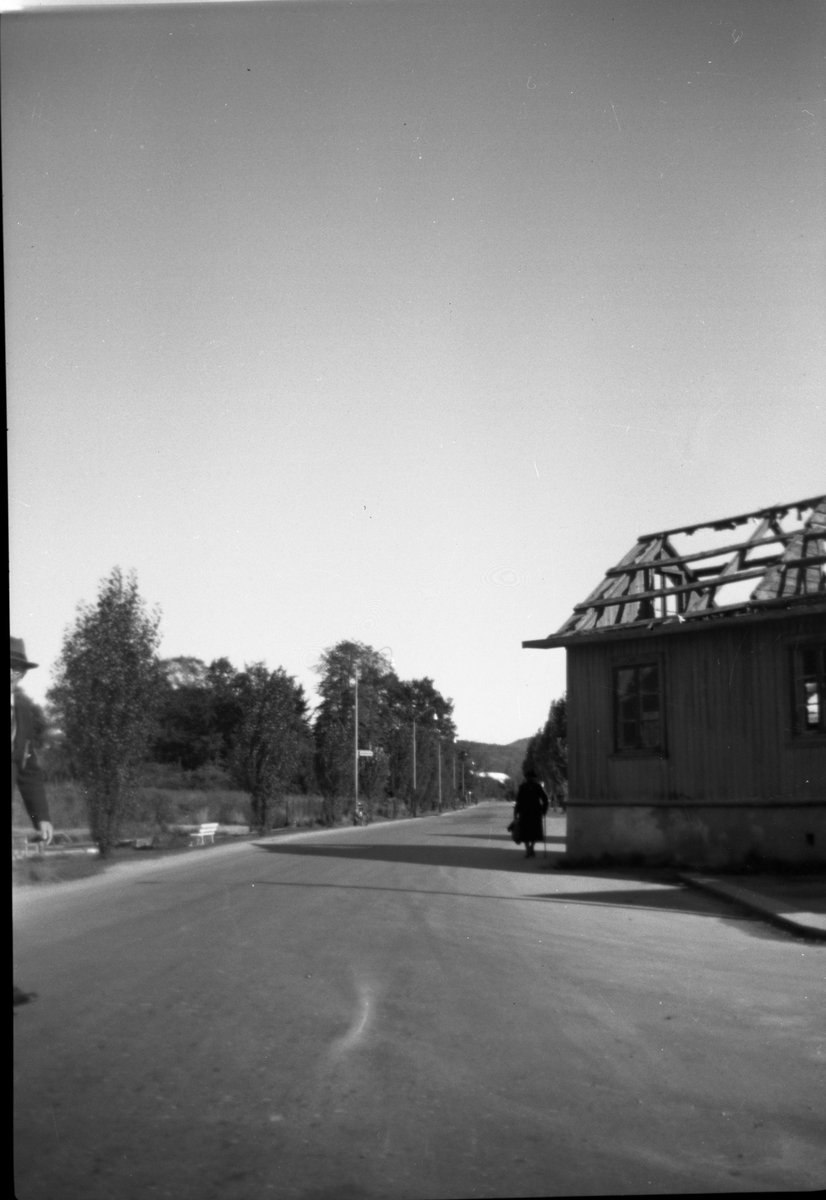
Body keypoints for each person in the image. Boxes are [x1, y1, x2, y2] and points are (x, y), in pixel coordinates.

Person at [12, 637, 53, 847]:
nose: (11, 673)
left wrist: (42, 817)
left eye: (17, 668)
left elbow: (29, 770)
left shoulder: (23, 714)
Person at [514, 768, 549, 859]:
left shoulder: (522, 787)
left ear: (526, 778)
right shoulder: (538, 787)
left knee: (525, 832)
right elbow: (545, 799)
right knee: (535, 831)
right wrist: (543, 810)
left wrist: (516, 814)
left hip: (524, 811)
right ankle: (531, 848)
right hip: (535, 811)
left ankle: (528, 851)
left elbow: (519, 801)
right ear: (534, 778)